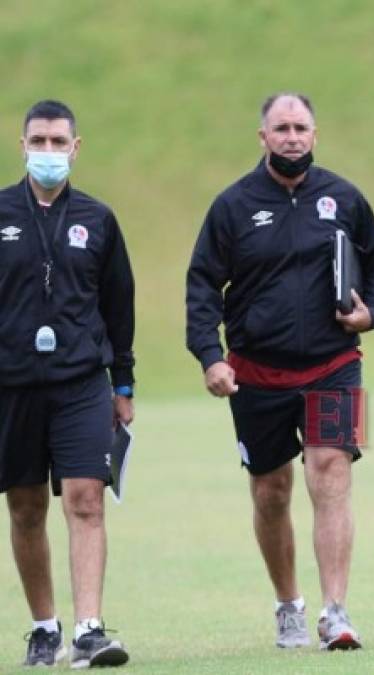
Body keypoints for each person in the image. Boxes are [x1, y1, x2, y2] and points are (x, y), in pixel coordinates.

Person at [186, 92, 374, 652]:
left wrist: (372, 312)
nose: (291, 137)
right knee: (271, 490)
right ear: (262, 137)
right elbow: (202, 284)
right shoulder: (233, 207)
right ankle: (290, 606)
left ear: (315, 133)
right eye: (280, 128)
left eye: (301, 127)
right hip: (256, 373)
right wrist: (211, 355)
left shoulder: (343, 198)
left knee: (330, 473)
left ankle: (335, 611)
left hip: (332, 366)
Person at [0, 100, 134, 668]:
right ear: (22, 144)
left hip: (82, 382)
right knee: (27, 507)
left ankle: (88, 630)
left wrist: (123, 381)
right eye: (39, 140)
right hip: (11, 386)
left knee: (85, 499)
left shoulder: (98, 219)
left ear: (76, 148)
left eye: (59, 142)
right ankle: (44, 627)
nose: (48, 151)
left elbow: (118, 303)